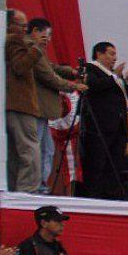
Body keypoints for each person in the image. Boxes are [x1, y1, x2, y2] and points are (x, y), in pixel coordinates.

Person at [26, 18, 89, 193]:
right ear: (34, 31)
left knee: (46, 149)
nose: (47, 39)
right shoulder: (32, 49)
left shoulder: (38, 51)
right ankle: (35, 187)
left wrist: (72, 72)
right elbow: (49, 76)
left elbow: (52, 67)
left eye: (49, 36)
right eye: (44, 34)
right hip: (36, 107)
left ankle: (41, 186)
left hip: (41, 109)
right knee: (38, 149)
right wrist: (74, 85)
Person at [81, 41, 128, 199]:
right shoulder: (91, 69)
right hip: (100, 126)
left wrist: (127, 79)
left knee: (115, 164)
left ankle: (111, 195)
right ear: (99, 54)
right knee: (98, 162)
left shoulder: (112, 74)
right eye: (111, 53)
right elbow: (95, 86)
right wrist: (115, 76)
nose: (115, 57)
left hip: (118, 126)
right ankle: (94, 196)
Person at [5, 10, 48, 193]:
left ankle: (19, 191)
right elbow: (20, 66)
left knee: (19, 153)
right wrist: (37, 48)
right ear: (10, 25)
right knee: (30, 152)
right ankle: (27, 192)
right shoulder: (15, 41)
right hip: (21, 104)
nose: (25, 29)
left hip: (18, 105)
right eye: (22, 26)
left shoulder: (15, 42)